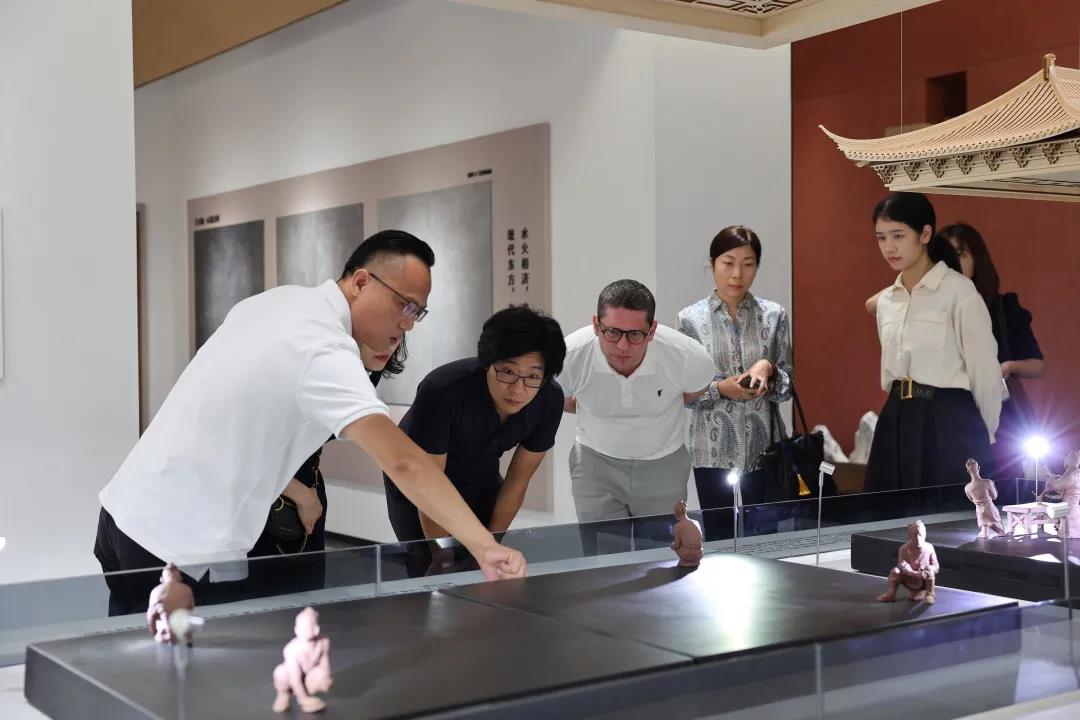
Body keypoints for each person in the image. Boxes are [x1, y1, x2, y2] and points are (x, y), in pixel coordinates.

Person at [95, 230, 526, 615]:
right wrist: (484, 546)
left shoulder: (279, 301)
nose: (407, 324)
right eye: (404, 305)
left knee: (128, 667)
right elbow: (404, 461)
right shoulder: (323, 348)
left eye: (418, 313)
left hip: (124, 515)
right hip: (178, 545)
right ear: (361, 281)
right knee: (188, 676)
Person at [384, 306, 566, 544]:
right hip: (417, 477)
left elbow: (517, 483)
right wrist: (441, 555)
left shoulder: (549, 398)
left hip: (480, 475)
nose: (518, 389)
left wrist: (491, 546)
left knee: (482, 553)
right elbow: (429, 483)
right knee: (427, 560)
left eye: (532, 376)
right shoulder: (442, 390)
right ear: (487, 363)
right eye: (507, 371)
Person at [862, 193, 1002, 491]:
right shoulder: (887, 301)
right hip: (896, 417)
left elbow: (985, 372)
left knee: (946, 513)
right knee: (888, 512)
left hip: (949, 419)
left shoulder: (959, 292)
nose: (889, 247)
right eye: (881, 238)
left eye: (898, 235)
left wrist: (983, 435)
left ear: (925, 234)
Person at [247, 340, 409, 596]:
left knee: (305, 600)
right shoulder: (300, 368)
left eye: (398, 337)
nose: (390, 344)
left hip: (306, 491)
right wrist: (300, 494)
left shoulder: (365, 373)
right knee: (255, 602)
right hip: (266, 496)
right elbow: (244, 448)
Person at [561, 280, 716, 521]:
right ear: (596, 325)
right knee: (602, 545)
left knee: (661, 543)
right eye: (612, 332)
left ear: (652, 330)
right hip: (595, 465)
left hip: (663, 465)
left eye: (635, 334)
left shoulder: (687, 356)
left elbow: (694, 391)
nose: (622, 346)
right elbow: (557, 399)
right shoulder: (569, 356)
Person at [676, 225, 793, 509]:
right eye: (728, 263)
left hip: (765, 448)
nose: (737, 274)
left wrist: (769, 370)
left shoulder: (774, 316)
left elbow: (787, 388)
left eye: (748, 264)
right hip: (711, 450)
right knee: (719, 530)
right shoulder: (689, 320)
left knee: (764, 530)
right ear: (712, 263)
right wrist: (721, 389)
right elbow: (683, 393)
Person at [940, 224, 1044, 479]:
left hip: (999, 416)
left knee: (1004, 488)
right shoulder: (932, 312)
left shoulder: (1002, 308)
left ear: (977, 258)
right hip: (948, 416)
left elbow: (1036, 365)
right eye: (946, 256)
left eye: (961, 254)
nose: (954, 263)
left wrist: (1007, 367)